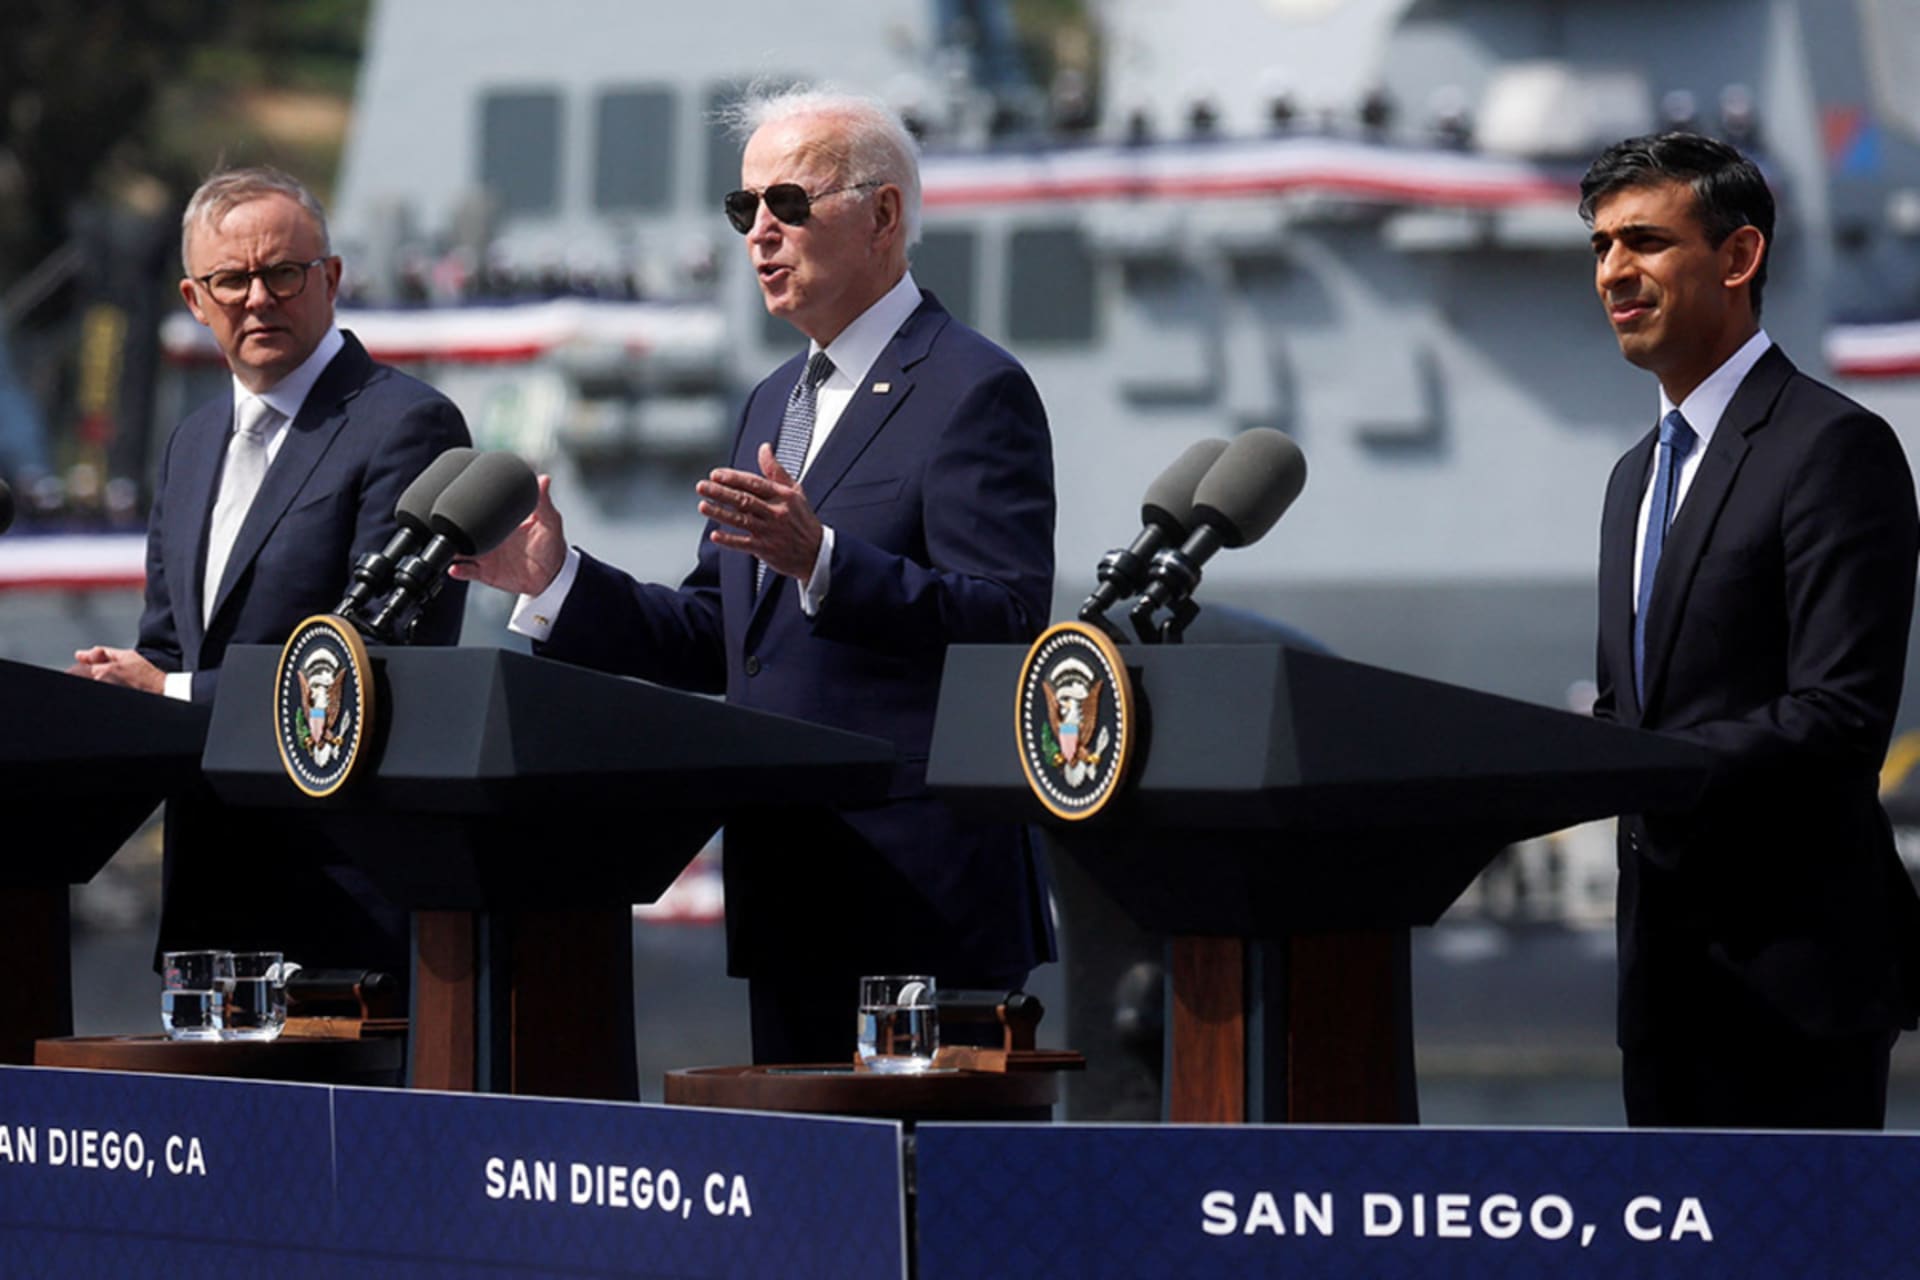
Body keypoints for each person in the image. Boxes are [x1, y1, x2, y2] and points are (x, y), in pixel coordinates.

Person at [453, 88, 1057, 1063]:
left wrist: (825, 561)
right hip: (788, 886)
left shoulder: (973, 388)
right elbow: (721, 635)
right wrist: (557, 581)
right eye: (744, 209)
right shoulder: (775, 401)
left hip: (925, 899)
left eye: (788, 203)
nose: (759, 233)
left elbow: (1008, 621)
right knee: (798, 1160)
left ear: (883, 215)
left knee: (922, 1160)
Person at [1584, 132, 1920, 1128]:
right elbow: (1624, 710)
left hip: (1792, 997)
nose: (1613, 272)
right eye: (1601, 245)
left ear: (1738, 258)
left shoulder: (1834, 447)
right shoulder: (1632, 480)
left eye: (1645, 241)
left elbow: (1841, 717)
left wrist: (1645, 766)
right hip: (1663, 995)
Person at [70, 166, 470, 973]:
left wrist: (170, 692)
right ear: (194, 300)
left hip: (344, 907)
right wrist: (118, 690)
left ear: (331, 279)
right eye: (231, 280)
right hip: (209, 903)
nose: (258, 299)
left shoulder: (408, 426)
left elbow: (378, 663)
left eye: (283, 273)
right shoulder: (189, 446)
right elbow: (169, 645)